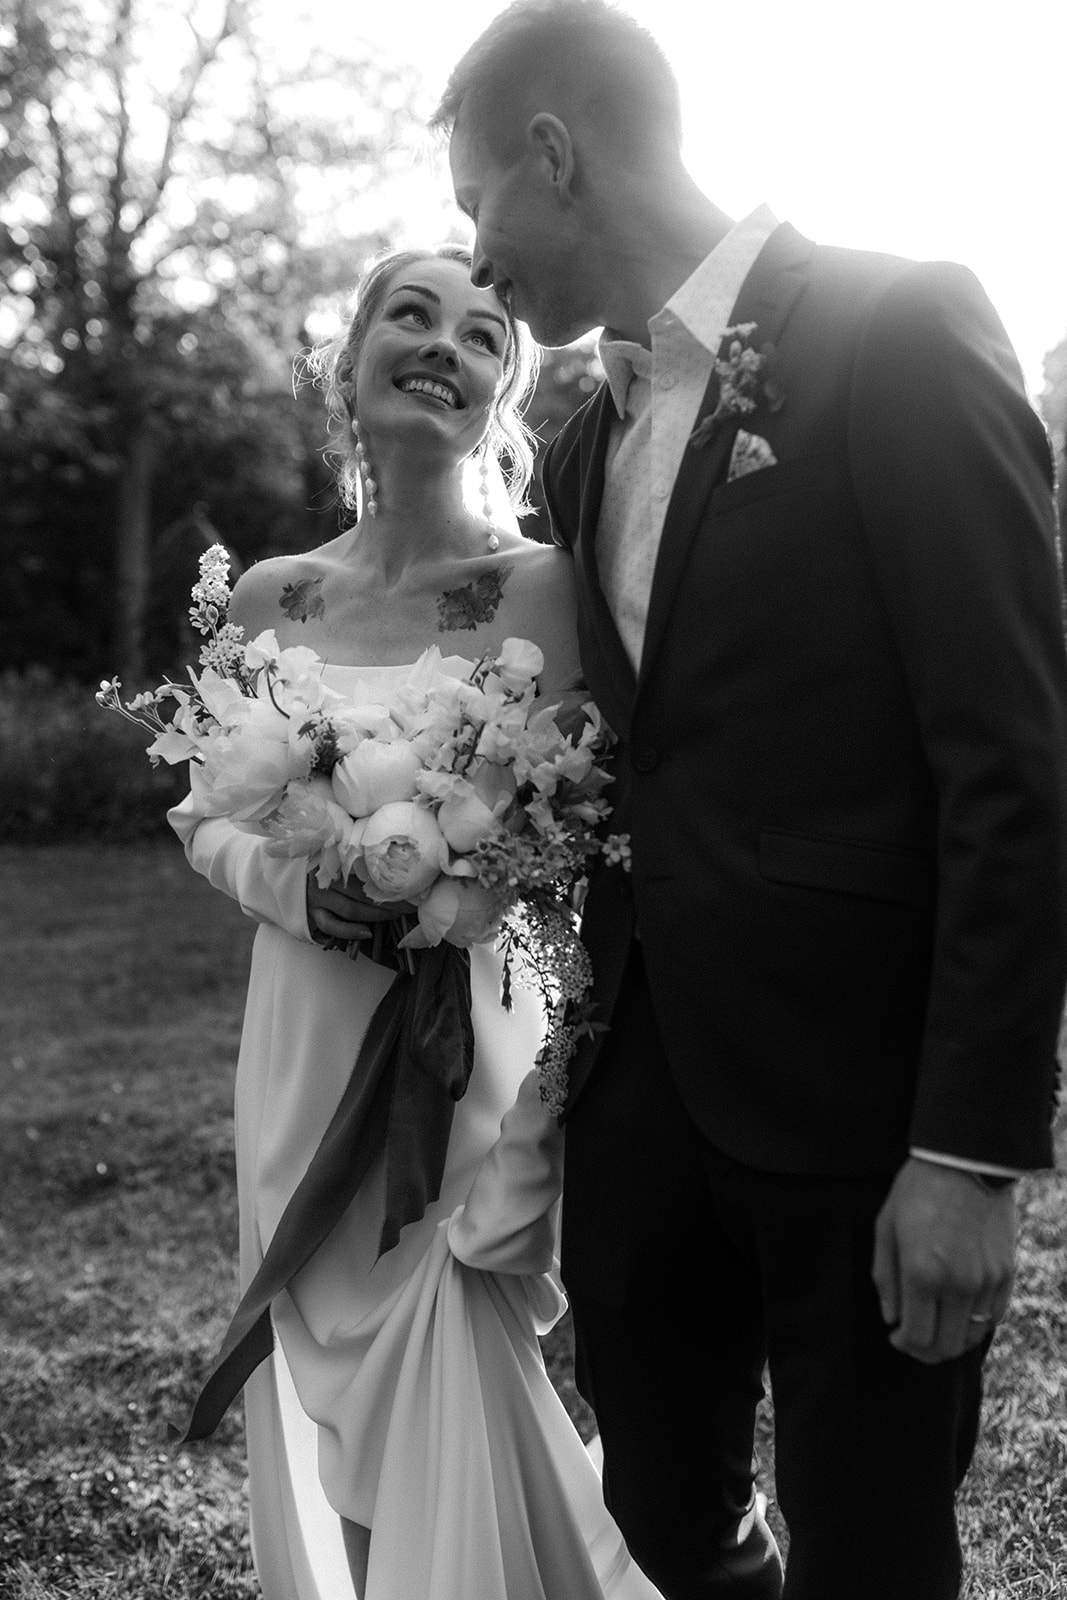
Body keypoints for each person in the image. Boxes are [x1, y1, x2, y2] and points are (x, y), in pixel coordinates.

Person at [433, 5, 1067, 1598]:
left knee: (870, 1550)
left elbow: (1013, 756)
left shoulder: (895, 327)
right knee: (663, 1537)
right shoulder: (583, 442)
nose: (477, 257)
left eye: (476, 204)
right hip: (641, 1103)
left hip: (861, 1109)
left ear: (555, 155)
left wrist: (971, 1150)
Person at [168, 242, 664, 1600]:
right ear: (351, 363)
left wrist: (470, 887)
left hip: (471, 1054)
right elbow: (205, 815)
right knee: (341, 1408)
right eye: (412, 314)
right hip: (303, 1049)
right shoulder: (269, 597)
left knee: (448, 1359)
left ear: (502, 393)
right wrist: (303, 890)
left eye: (486, 333)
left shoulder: (544, 588)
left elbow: (579, 847)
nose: (447, 342)